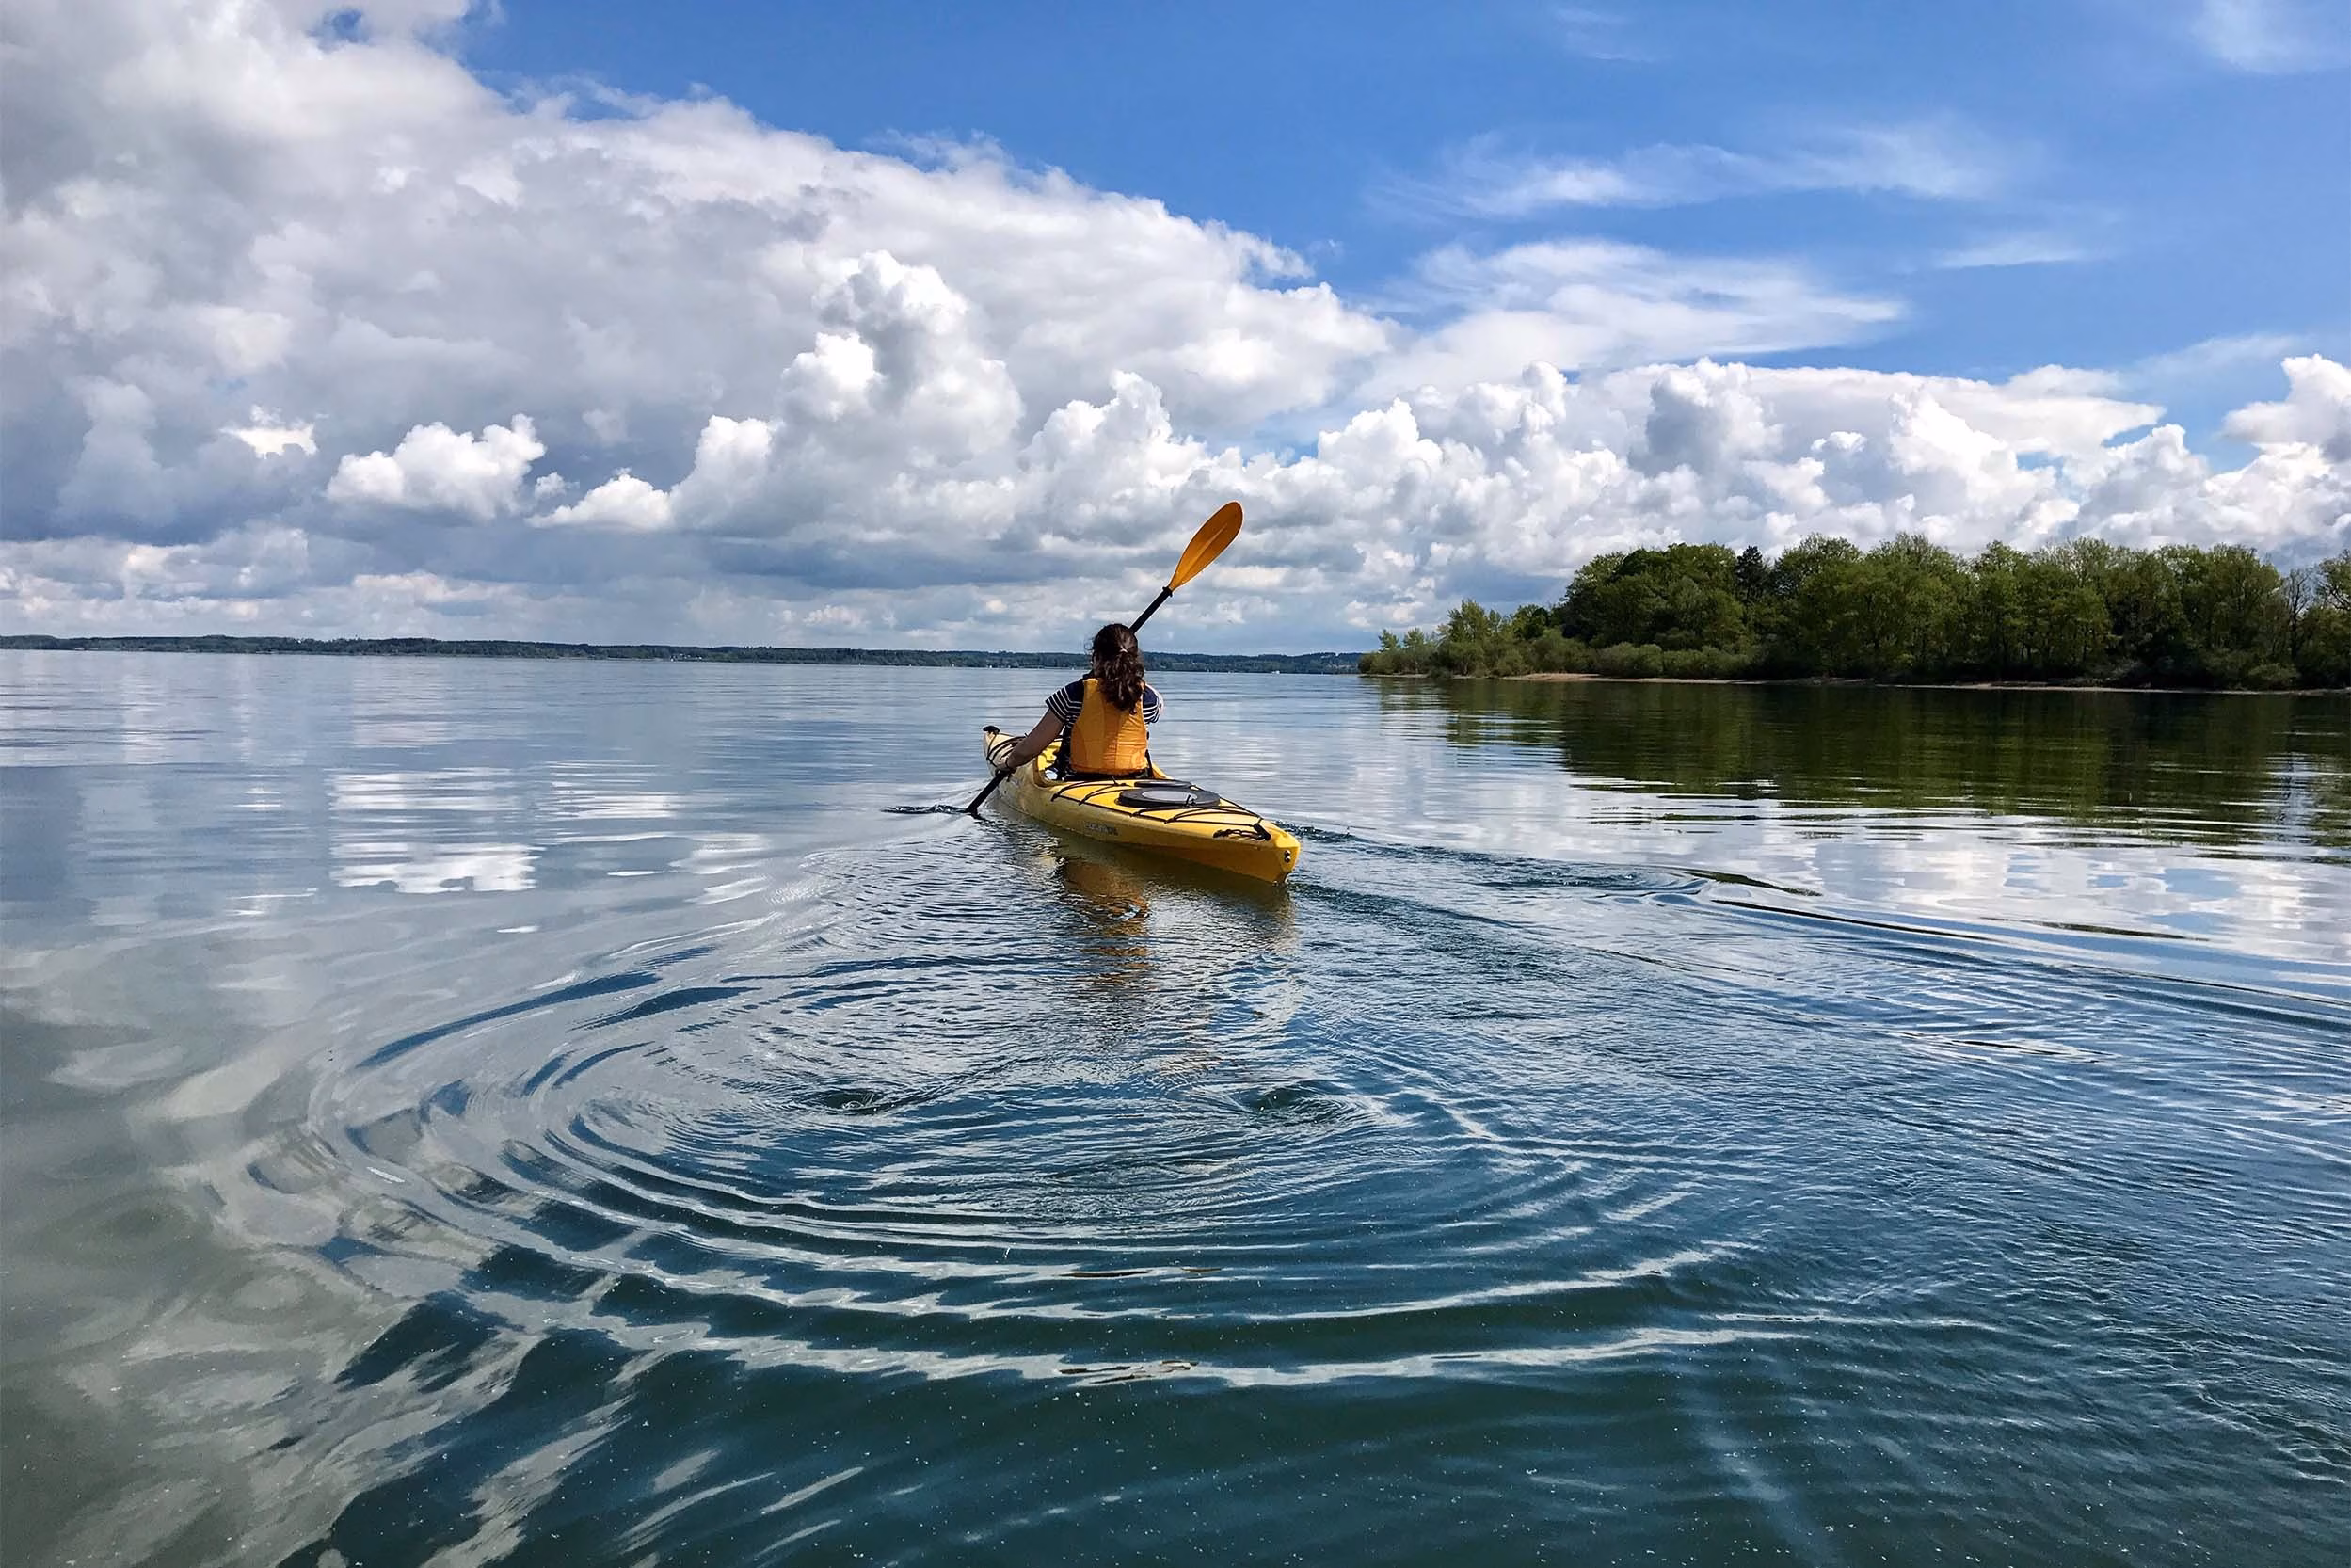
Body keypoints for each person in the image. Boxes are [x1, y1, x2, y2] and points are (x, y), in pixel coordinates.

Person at [995, 623, 1163, 780]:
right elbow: (1156, 699)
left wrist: (1009, 764)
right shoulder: (1148, 699)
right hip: (1135, 782)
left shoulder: (1073, 694)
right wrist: (1132, 678)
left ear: (1095, 657)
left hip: (1078, 780)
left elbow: (1030, 749)